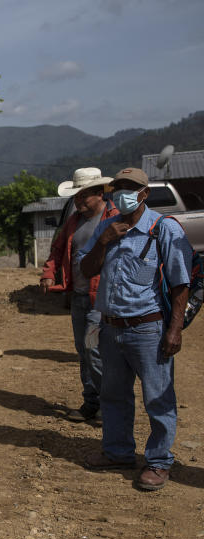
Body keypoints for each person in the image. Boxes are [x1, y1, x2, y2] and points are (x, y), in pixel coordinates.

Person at [78, 168, 193, 491]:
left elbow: (180, 283)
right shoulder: (106, 226)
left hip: (148, 328)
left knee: (158, 397)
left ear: (144, 194)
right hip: (111, 328)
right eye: (119, 188)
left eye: (131, 188)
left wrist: (175, 329)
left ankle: (158, 461)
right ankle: (118, 452)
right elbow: (87, 270)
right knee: (113, 394)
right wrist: (103, 240)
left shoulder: (163, 229)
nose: (123, 193)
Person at [41, 167, 117, 422]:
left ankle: (110, 406)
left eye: (83, 196)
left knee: (93, 349)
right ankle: (91, 402)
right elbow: (58, 248)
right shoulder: (75, 221)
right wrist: (48, 272)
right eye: (76, 197)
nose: (78, 201)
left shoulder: (114, 219)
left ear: (98, 194)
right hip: (80, 297)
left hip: (102, 298)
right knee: (83, 351)